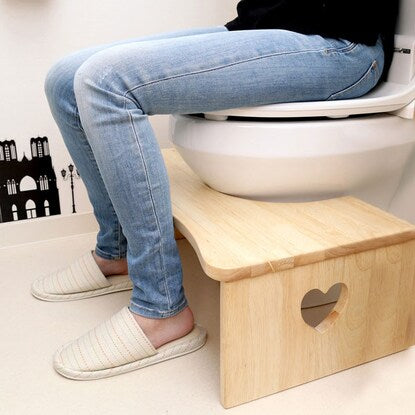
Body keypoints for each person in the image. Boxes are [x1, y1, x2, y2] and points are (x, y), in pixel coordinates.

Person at [32, 0, 399, 379]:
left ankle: (160, 306)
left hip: (340, 40)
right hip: (262, 24)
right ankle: (117, 250)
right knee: (64, 80)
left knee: (105, 83)